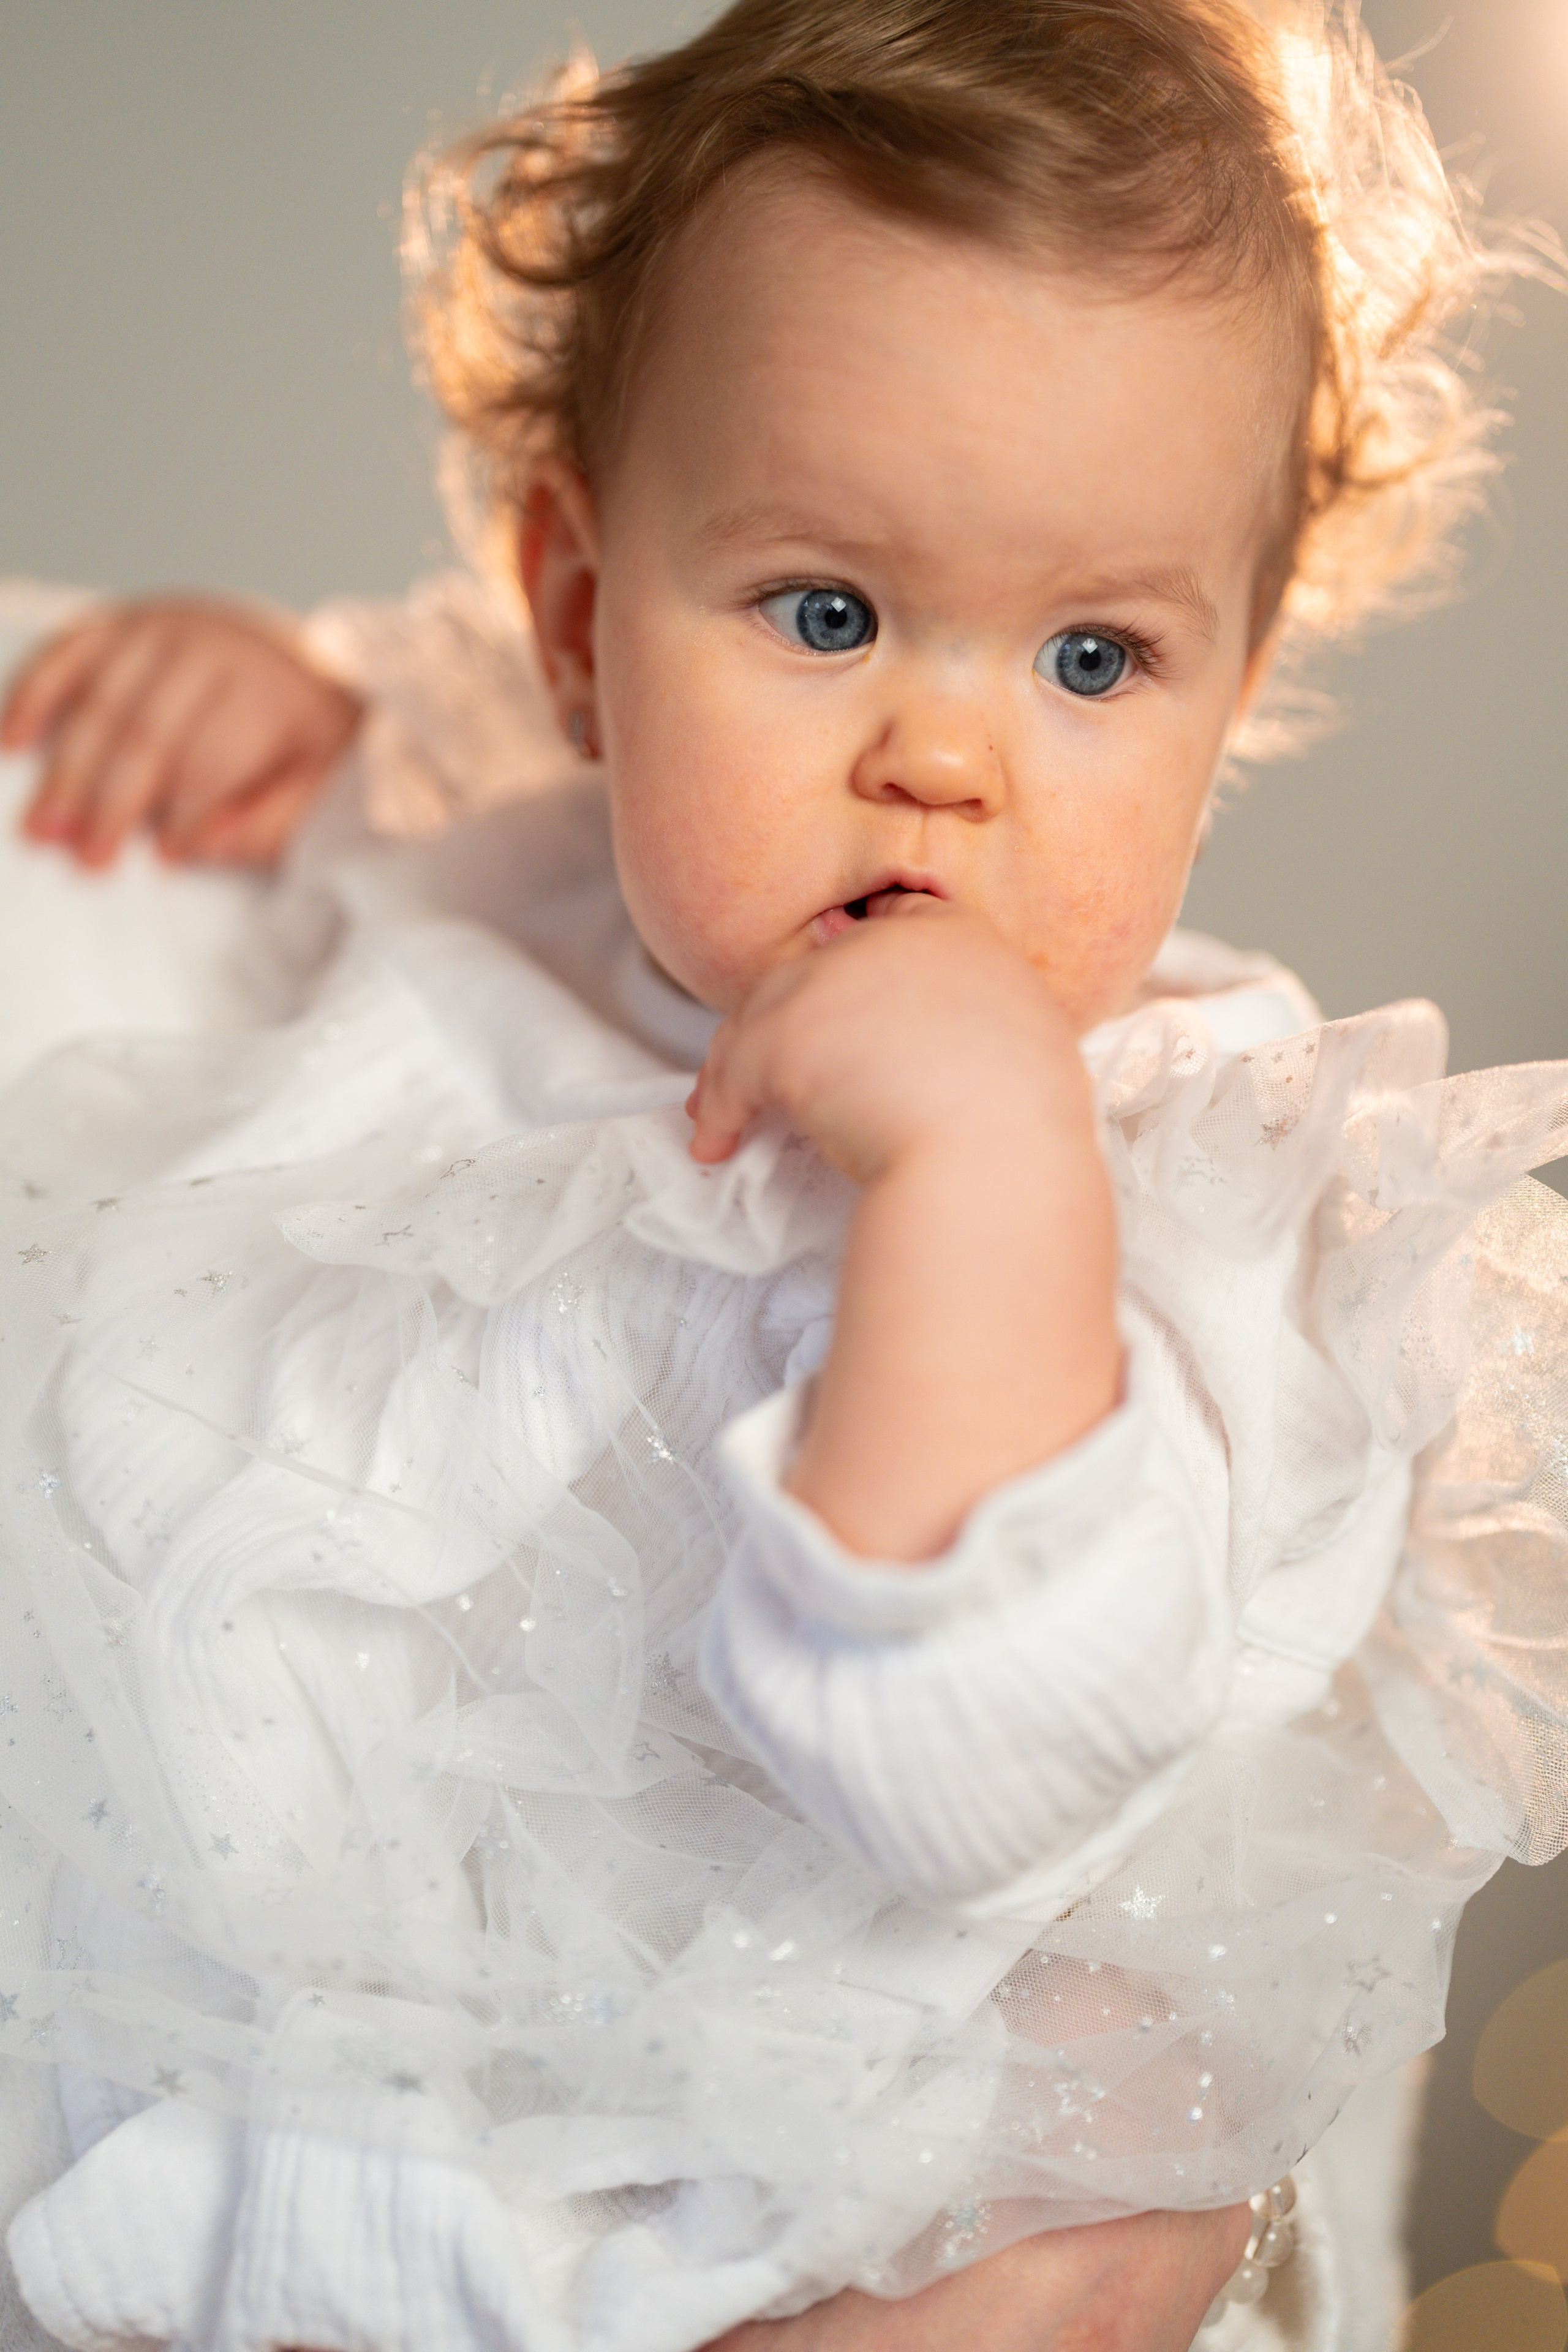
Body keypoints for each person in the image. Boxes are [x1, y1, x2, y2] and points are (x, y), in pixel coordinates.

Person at [0, 3, 1563, 2347]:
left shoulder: (1181, 1160)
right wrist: (262, 698)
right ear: (575, 625)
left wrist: (981, 1177)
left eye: (1094, 658)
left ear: (1231, 703)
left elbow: (989, 1778)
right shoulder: (489, 858)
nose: (944, 755)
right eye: (827, 614)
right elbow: (368, 783)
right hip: (180, 2031)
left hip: (680, 2202)